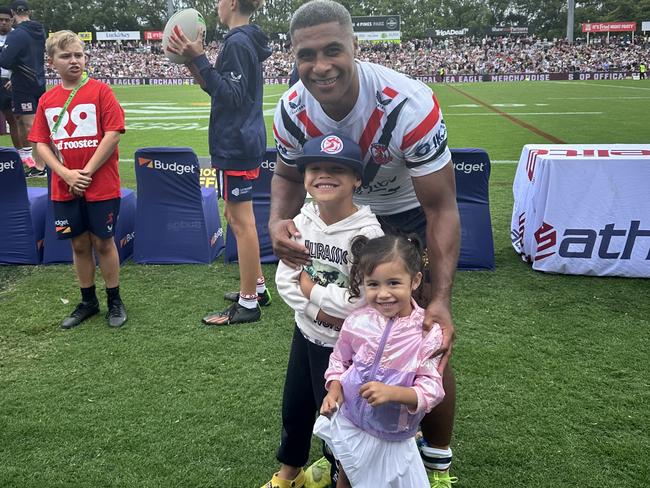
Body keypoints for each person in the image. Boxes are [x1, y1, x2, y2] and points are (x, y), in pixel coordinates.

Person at [269, 1, 460, 486]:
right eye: (306, 55)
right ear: (293, 55)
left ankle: (436, 459)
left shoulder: (407, 105)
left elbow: (441, 207)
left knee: (423, 339)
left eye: (333, 50)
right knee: (351, 335)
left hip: (405, 211)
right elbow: (288, 174)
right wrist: (276, 220)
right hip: (337, 213)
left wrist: (439, 299)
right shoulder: (292, 109)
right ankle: (358, 439)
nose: (320, 66)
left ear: (356, 46)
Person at [265, 134, 383, 488]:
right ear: (303, 177)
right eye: (315, 168)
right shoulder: (301, 221)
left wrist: (312, 289)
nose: (324, 176)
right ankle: (290, 474)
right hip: (306, 333)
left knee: (336, 418)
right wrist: (318, 311)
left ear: (357, 179)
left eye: (337, 169)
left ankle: (338, 478)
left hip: (345, 351)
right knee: (295, 407)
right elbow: (286, 279)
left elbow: (362, 300)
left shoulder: (368, 234)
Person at [166, 0, 272, 325]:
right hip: (239, 141)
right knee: (234, 215)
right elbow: (219, 88)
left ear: (231, 3)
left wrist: (199, 57)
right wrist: (193, 63)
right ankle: (257, 287)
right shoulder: (241, 39)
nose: (216, 6)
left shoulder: (239, 41)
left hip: (236, 144)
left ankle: (249, 304)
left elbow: (232, 96)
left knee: (242, 223)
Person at [314, 234, 446, 487]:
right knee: (348, 469)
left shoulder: (427, 332)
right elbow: (339, 361)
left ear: (415, 280)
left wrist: (395, 393)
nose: (383, 294)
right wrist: (334, 388)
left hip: (392, 435)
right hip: (352, 420)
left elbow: (433, 389)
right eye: (373, 284)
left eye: (394, 283)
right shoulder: (357, 320)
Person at [28, 30, 127, 329]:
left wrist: (85, 172)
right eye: (66, 56)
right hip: (64, 186)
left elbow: (113, 133)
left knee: (104, 242)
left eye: (79, 55)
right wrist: (66, 173)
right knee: (80, 245)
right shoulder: (47, 100)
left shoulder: (101, 91)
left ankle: (114, 300)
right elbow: (41, 142)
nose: (74, 61)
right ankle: (88, 301)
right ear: (51, 62)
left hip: (101, 184)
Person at [0, 0, 46, 176]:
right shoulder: (39, 30)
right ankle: (41, 162)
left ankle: (39, 165)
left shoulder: (17, 34)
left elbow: (5, 61)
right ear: (29, 12)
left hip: (22, 82)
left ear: (12, 13)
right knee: (35, 123)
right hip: (38, 80)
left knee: (29, 125)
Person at [0, 7, 22, 162]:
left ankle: (21, 155)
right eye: (0, 20)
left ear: (12, 20)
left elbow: (24, 60)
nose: (3, 23)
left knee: (14, 120)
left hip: (9, 82)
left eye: (6, 20)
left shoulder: (17, 37)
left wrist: (15, 79)